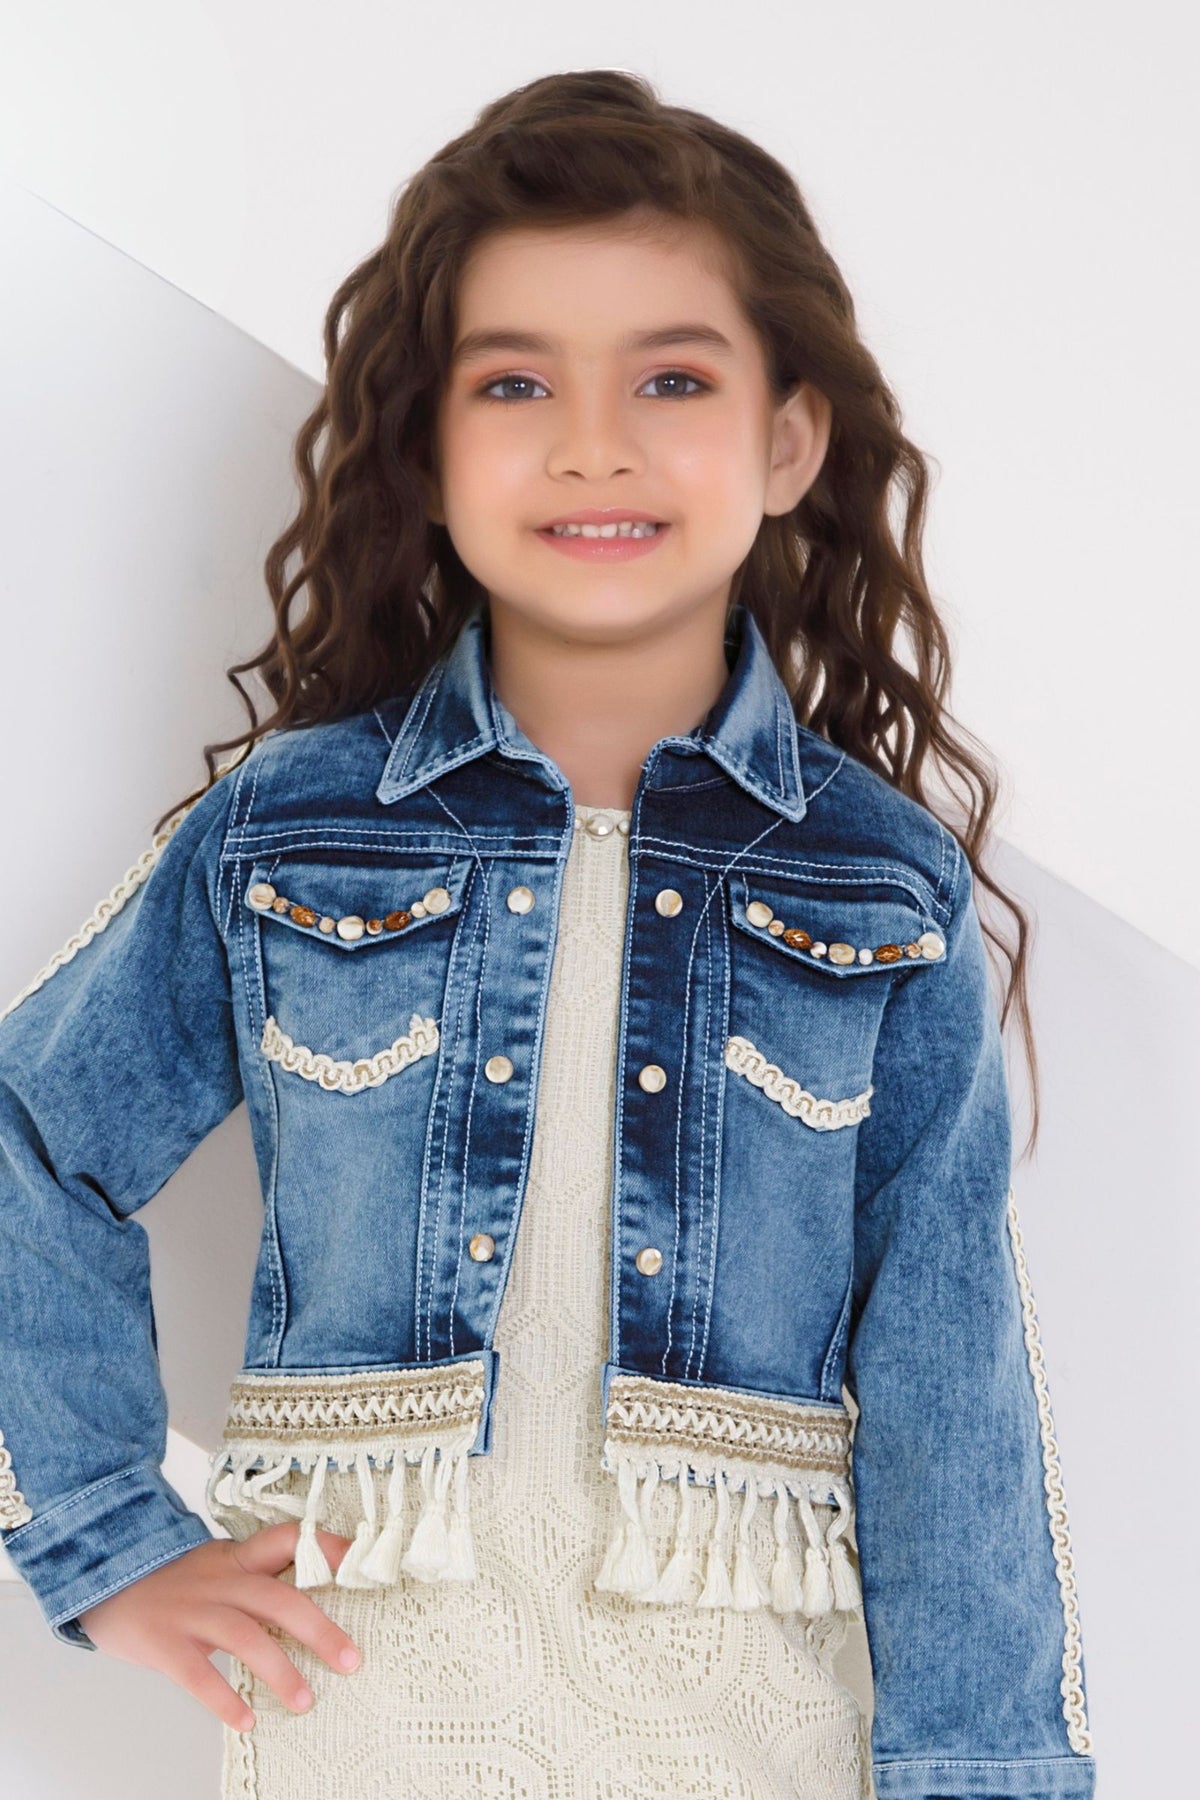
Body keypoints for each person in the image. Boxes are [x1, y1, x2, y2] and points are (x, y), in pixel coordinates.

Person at [0, 68, 1097, 1800]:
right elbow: (27, 1136)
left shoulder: (880, 880)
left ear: (789, 441)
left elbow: (946, 1359)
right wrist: (106, 1541)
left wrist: (982, 1768)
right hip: (370, 1707)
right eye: (516, 383)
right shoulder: (293, 827)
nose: (595, 442)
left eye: (673, 378)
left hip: (766, 1728)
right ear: (428, 452)